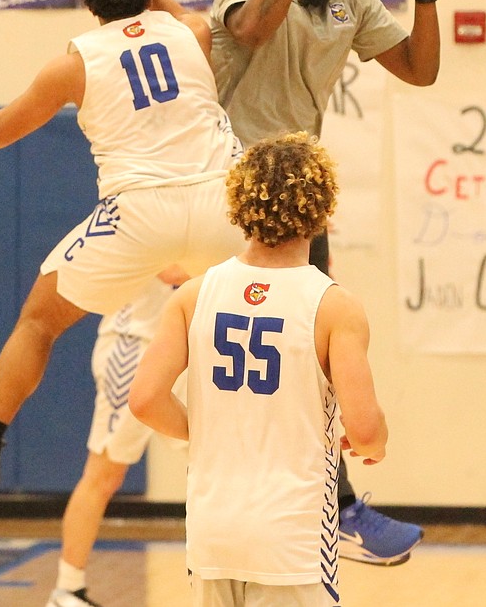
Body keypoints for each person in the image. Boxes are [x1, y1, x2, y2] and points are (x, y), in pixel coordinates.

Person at [0, 0, 246, 501]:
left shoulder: (73, 64)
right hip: (223, 201)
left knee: (38, 323)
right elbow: (187, 15)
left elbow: (1, 129)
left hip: (140, 212)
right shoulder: (193, 33)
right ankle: (322, 457)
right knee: (284, 311)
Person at [205, 0, 440, 565]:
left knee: (324, 353)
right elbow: (251, 30)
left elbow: (420, 71)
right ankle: (303, 501)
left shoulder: (353, 1)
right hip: (229, 181)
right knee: (246, 352)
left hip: (297, 189)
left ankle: (336, 505)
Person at [130, 131, 388, 607]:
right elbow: (366, 429)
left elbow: (144, 400)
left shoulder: (193, 295)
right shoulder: (334, 306)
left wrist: (208, 428)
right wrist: (375, 442)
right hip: (292, 537)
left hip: (212, 532)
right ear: (323, 209)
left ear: (239, 204)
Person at [47, 273, 184, 607]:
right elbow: (172, 270)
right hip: (131, 346)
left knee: (213, 462)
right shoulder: (142, 220)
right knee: (103, 474)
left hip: (175, 352)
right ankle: (67, 589)